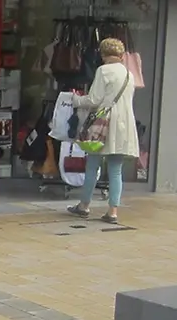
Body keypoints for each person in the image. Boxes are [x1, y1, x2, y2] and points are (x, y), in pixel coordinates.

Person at [67, 37, 139, 224]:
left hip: (103, 124)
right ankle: (112, 211)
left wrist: (76, 100)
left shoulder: (103, 71)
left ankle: (84, 206)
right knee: (115, 170)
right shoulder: (129, 74)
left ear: (103, 54)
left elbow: (94, 99)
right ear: (121, 55)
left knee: (92, 166)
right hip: (124, 125)